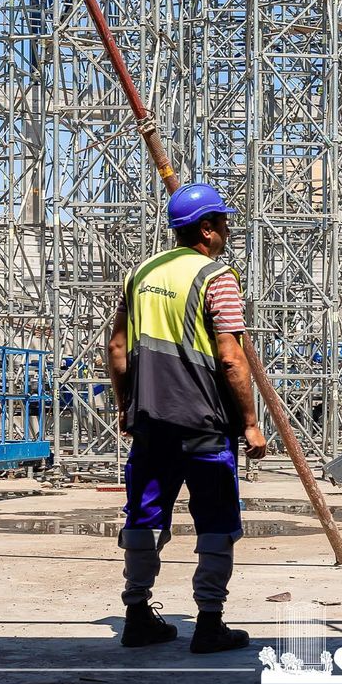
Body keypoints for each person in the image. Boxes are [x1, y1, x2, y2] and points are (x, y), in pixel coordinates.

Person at [107, 183, 268, 653]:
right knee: (216, 519)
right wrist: (251, 422)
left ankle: (136, 614)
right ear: (206, 229)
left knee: (143, 515)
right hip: (204, 424)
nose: (227, 229)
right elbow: (231, 358)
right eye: (223, 221)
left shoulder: (140, 273)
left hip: (151, 420)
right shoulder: (217, 277)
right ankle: (209, 623)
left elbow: (118, 347)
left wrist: (125, 404)